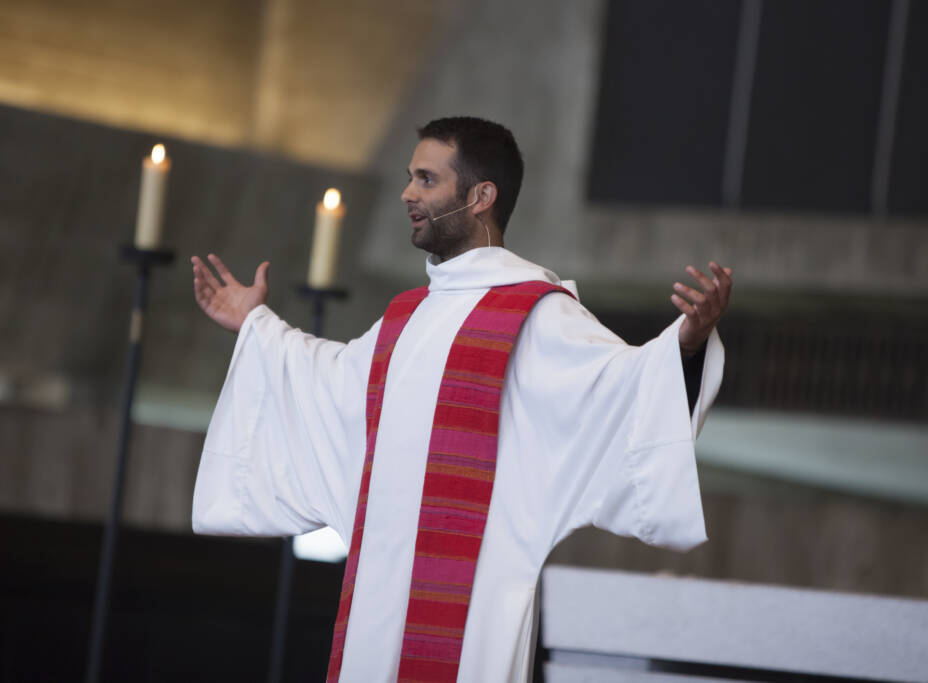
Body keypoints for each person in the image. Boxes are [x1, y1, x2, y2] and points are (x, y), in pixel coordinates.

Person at [190, 116, 731, 682]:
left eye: (426, 179)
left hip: (475, 605)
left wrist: (685, 344)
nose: (407, 193)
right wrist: (256, 324)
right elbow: (330, 383)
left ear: (479, 197)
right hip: (378, 600)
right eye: (409, 178)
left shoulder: (536, 313)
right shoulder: (407, 315)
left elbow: (625, 388)